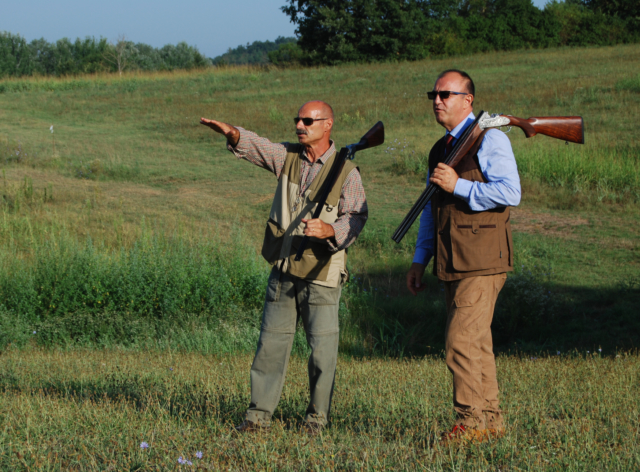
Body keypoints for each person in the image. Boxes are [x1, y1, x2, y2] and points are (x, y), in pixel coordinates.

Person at [200, 100, 368, 434]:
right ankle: (257, 417)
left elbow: (357, 215)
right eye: (298, 119)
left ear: (328, 124)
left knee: (322, 352)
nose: (300, 125)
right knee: (269, 347)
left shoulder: (347, 172)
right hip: (283, 268)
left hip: (322, 272)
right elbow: (258, 147)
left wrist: (331, 230)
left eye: (308, 120)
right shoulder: (288, 157)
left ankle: (316, 420)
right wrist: (232, 134)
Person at [405, 70, 521, 440]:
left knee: (460, 342)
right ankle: (490, 422)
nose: (437, 100)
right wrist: (419, 259)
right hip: (452, 258)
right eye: (434, 95)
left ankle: (469, 423)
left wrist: (460, 186)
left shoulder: (491, 139)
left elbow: (510, 192)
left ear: (467, 100)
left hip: (483, 258)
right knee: (477, 344)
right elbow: (429, 209)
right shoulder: (440, 149)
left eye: (446, 94)